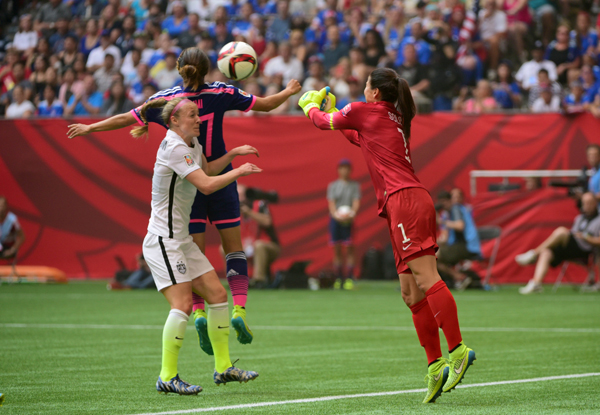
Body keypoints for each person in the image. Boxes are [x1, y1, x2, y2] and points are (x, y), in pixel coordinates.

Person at [66, 47, 301, 356]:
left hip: (192, 185)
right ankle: (240, 310)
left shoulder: (168, 102)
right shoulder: (221, 92)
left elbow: (127, 117)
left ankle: (201, 314)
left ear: (179, 68)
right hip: (220, 177)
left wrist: (90, 127)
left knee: (197, 254)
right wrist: (290, 90)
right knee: (233, 248)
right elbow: (267, 105)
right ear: (209, 69)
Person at [299, 69, 475, 404]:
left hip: (405, 201)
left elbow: (324, 122)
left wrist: (310, 106)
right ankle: (436, 365)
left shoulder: (366, 110)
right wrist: (336, 115)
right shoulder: (390, 116)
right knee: (410, 293)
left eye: (366, 85)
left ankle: (458, 349)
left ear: (376, 92)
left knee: (426, 277)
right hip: (403, 204)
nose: (362, 90)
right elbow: (355, 136)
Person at [123, 96, 260, 393]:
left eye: (198, 115)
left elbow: (208, 171)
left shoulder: (191, 145)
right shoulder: (173, 147)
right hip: (163, 240)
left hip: (181, 239)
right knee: (183, 304)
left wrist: (233, 153)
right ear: (173, 120)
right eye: (192, 115)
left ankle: (223, 368)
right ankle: (167, 376)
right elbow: (207, 185)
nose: (199, 119)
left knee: (217, 294)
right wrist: (240, 171)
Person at [516, 192, 600, 294]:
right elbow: (573, 234)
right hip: (572, 248)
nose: (587, 206)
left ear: (596, 203)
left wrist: (586, 237)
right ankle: (536, 283)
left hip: (586, 250)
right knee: (546, 251)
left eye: (589, 203)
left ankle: (533, 254)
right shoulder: (579, 218)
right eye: (585, 203)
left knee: (561, 231)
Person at [436, 189, 482, 290]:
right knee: (433, 256)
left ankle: (459, 277)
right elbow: (445, 238)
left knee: (434, 257)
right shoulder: (448, 213)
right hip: (459, 245)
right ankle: (460, 278)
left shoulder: (456, 209)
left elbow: (460, 226)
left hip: (468, 246)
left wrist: (442, 222)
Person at [327, 159, 361, 290]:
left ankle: (349, 278)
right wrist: (336, 215)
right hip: (336, 221)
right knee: (337, 250)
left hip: (349, 221)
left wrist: (351, 214)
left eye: (347, 168)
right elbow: (331, 203)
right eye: (342, 168)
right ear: (338, 170)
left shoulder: (354, 186)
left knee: (350, 248)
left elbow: (356, 202)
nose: (344, 171)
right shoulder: (333, 186)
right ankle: (338, 278)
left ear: (350, 170)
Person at [238, 184, 280, 287]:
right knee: (224, 248)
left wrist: (249, 212)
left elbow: (267, 222)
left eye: (240, 195)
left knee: (259, 245)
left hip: (269, 245)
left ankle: (259, 281)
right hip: (246, 245)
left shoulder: (259, 204)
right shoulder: (233, 209)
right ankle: (236, 280)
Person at [0, 196, 25, 262]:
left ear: (6, 207)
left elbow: (22, 237)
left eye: (2, 206)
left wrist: (12, 250)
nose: (1, 208)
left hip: (7, 248)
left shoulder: (12, 219)